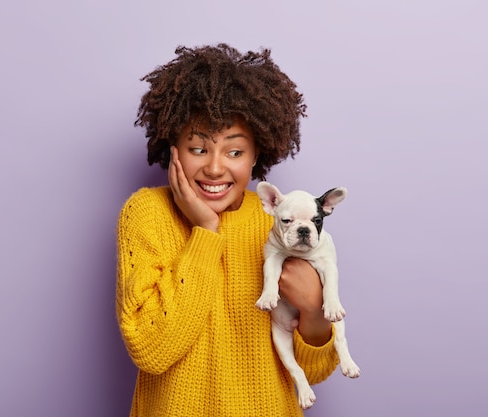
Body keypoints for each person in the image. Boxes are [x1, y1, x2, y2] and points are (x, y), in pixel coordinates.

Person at [116, 43, 339, 416]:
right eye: (198, 148)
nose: (216, 168)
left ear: (257, 154)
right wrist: (206, 230)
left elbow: (313, 373)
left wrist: (314, 307)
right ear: (173, 147)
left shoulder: (282, 224)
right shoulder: (147, 213)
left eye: (235, 152)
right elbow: (152, 348)